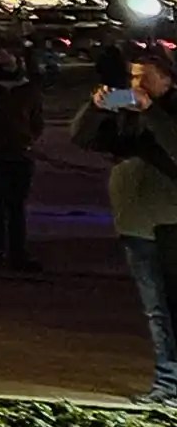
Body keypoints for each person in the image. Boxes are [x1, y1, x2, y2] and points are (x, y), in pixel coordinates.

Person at [70, 42, 177, 405]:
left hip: (171, 221)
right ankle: (168, 382)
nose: (136, 84)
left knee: (171, 305)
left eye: (143, 77)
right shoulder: (126, 112)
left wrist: (152, 113)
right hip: (134, 223)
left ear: (165, 79)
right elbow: (82, 138)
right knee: (155, 307)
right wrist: (96, 108)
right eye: (132, 77)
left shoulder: (167, 111)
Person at [0, 47, 44, 272]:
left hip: (16, 151)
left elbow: (37, 120)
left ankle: (13, 251)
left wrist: (28, 138)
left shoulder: (27, 90)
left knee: (13, 206)